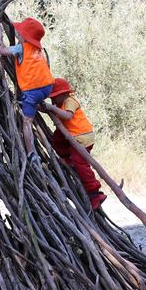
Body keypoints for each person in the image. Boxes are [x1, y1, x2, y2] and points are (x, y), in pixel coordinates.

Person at [0, 18, 54, 163]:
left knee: (27, 121)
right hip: (47, 88)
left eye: (20, 32)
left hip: (32, 91)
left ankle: (31, 153)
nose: (18, 33)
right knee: (33, 100)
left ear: (24, 36)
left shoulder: (21, 48)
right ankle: (36, 103)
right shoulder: (37, 49)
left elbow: (0, 50)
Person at [39, 77, 106, 209]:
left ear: (64, 94)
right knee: (57, 138)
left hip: (83, 138)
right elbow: (52, 111)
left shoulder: (70, 101)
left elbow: (67, 116)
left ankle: (95, 193)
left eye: (55, 97)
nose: (53, 100)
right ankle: (67, 159)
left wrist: (51, 107)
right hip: (72, 135)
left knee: (81, 164)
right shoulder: (60, 104)